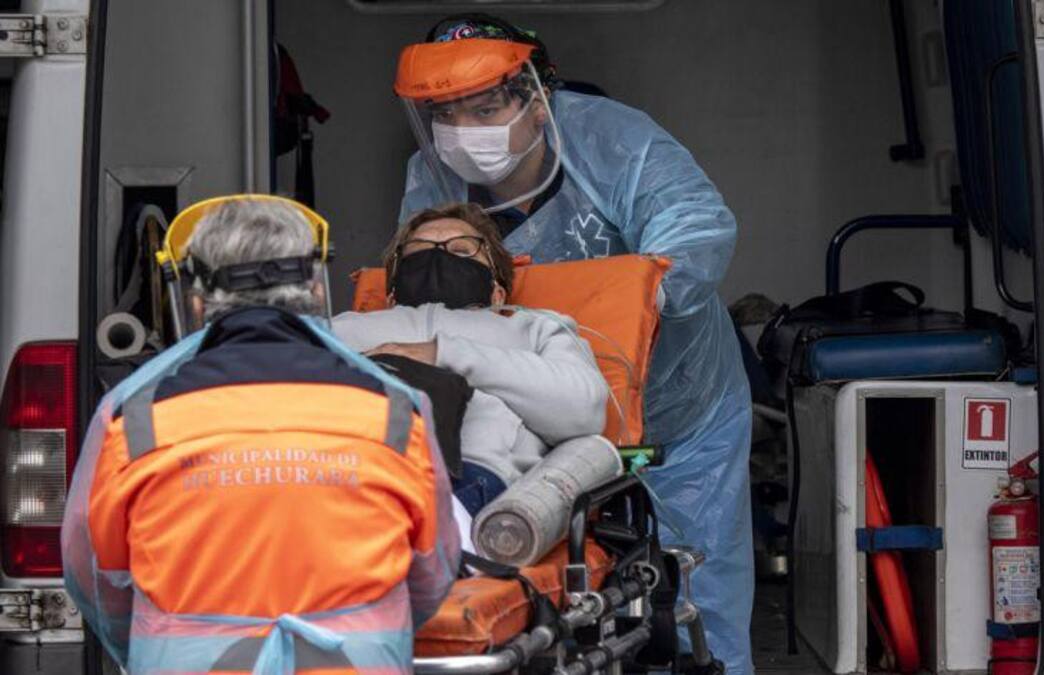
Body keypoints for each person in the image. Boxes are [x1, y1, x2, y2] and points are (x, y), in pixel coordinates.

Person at [392, 14, 755, 673]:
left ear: (537, 94)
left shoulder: (614, 142)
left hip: (676, 410)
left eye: (486, 106)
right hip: (538, 422)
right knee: (552, 602)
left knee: (697, 591)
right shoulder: (433, 176)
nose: (466, 132)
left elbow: (697, 233)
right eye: (446, 112)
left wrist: (619, 314)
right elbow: (420, 290)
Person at [61, 196, 459, 674]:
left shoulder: (134, 418)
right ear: (315, 288)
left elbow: (97, 580)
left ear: (195, 301)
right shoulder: (396, 411)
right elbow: (431, 573)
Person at [332, 202, 609, 516]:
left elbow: (582, 409)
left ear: (497, 294)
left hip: (469, 479)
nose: (439, 257)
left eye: (462, 251)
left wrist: (444, 354)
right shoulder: (338, 329)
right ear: (391, 296)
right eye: (419, 253)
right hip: (341, 469)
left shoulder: (534, 328)